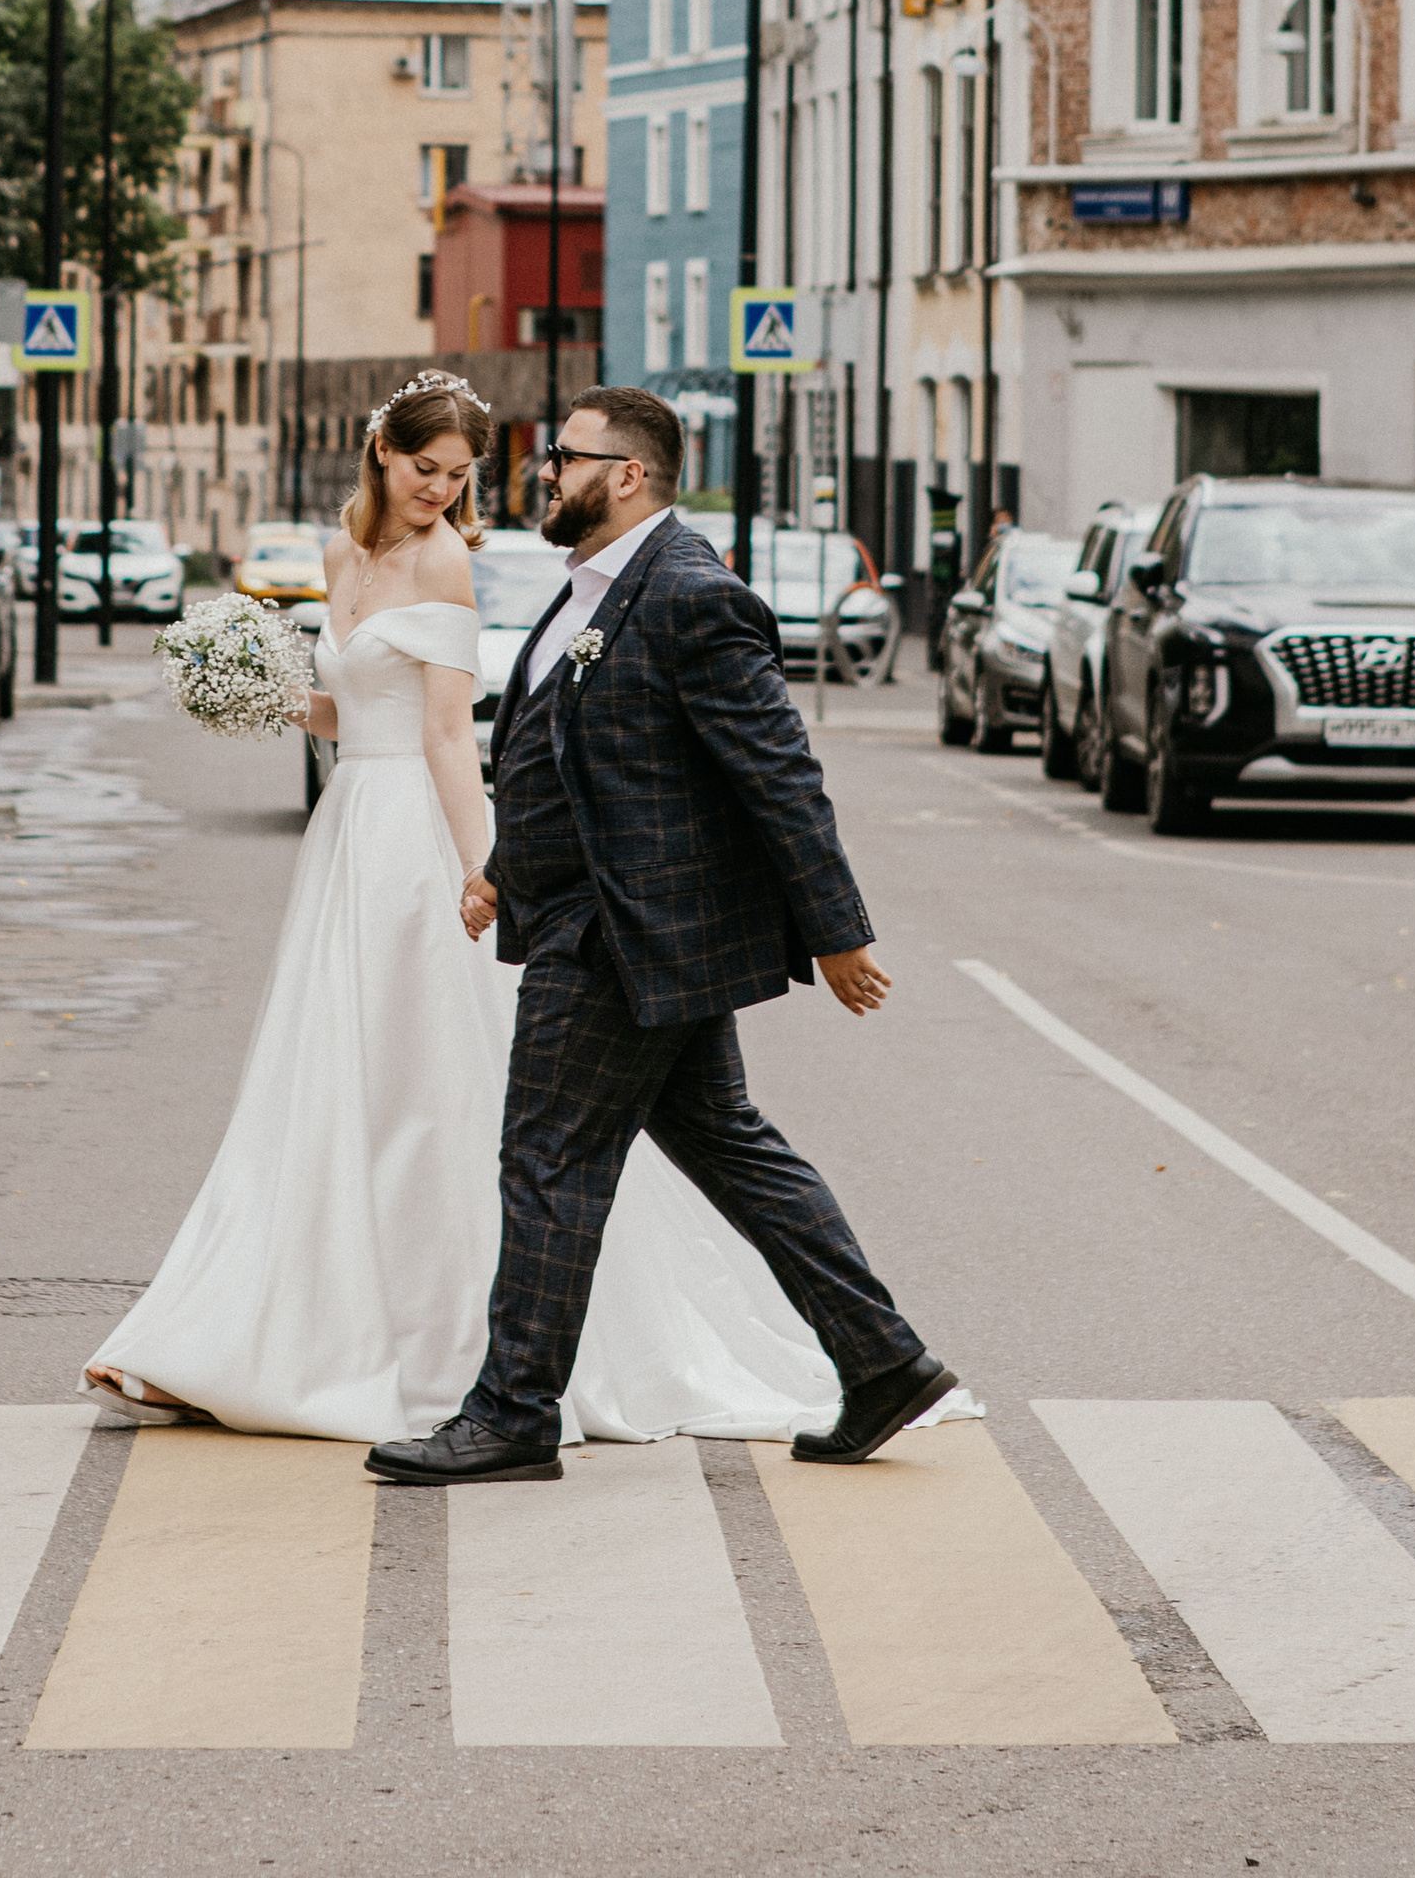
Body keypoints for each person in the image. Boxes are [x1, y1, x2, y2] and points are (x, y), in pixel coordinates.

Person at [85, 372, 857, 1444]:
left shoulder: (456, 565)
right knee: (327, 1080)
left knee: (435, 1100)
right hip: (348, 831)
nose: (440, 494)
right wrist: (259, 692)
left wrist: (485, 868)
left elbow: (453, 737)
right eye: (424, 470)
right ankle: (263, 1328)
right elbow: (355, 710)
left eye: (458, 477)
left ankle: (458, 1368)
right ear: (380, 453)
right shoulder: (341, 556)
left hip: (417, 843)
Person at [364, 385, 953, 1489]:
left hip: (623, 936)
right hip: (616, 926)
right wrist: (503, 866)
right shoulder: (595, 587)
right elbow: (572, 761)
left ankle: (511, 1413)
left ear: (625, 475)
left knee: (547, 1159)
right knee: (730, 1145)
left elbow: (779, 774)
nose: (544, 474)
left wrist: (838, 932)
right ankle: (882, 1361)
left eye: (565, 459)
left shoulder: (689, 596)